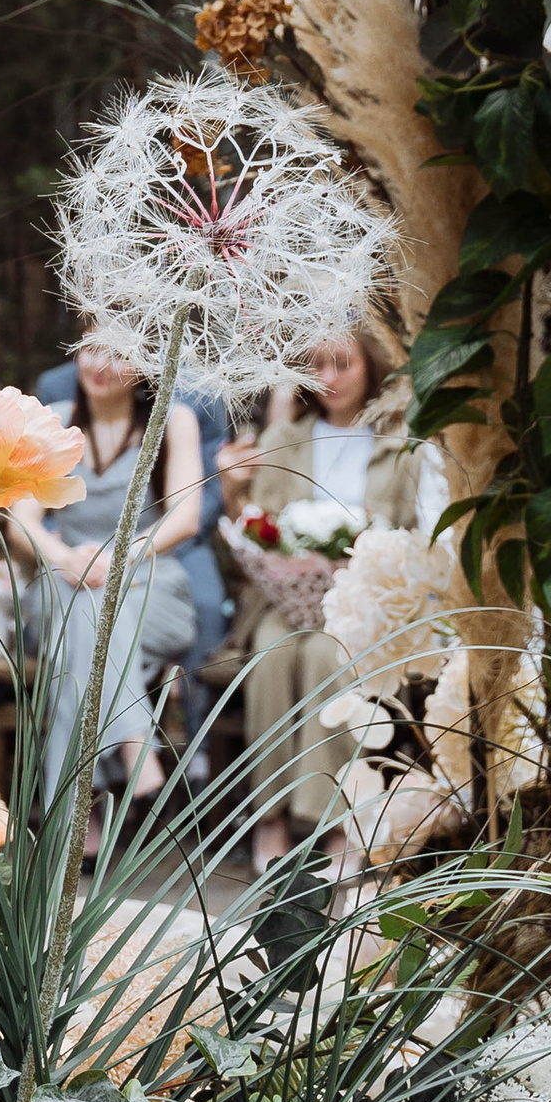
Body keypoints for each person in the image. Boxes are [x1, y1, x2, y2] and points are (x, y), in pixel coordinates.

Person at [217, 323, 416, 865]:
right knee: (274, 652)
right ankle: (270, 815)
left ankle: (335, 820)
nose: (328, 378)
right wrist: (232, 494)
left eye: (343, 364)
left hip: (367, 600)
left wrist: (359, 552)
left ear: (372, 366)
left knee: (329, 653)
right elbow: (256, 534)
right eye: (316, 365)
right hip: (292, 599)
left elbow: (410, 532)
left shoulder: (399, 445)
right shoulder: (285, 441)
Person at [25, 336, 206, 837]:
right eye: (90, 347)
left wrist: (115, 557)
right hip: (63, 577)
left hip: (148, 581)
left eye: (120, 352)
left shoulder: (173, 422)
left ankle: (75, 822)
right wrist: (66, 557)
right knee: (84, 604)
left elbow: (185, 517)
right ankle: (137, 751)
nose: (99, 364)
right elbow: (22, 518)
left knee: (85, 615)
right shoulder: (54, 421)